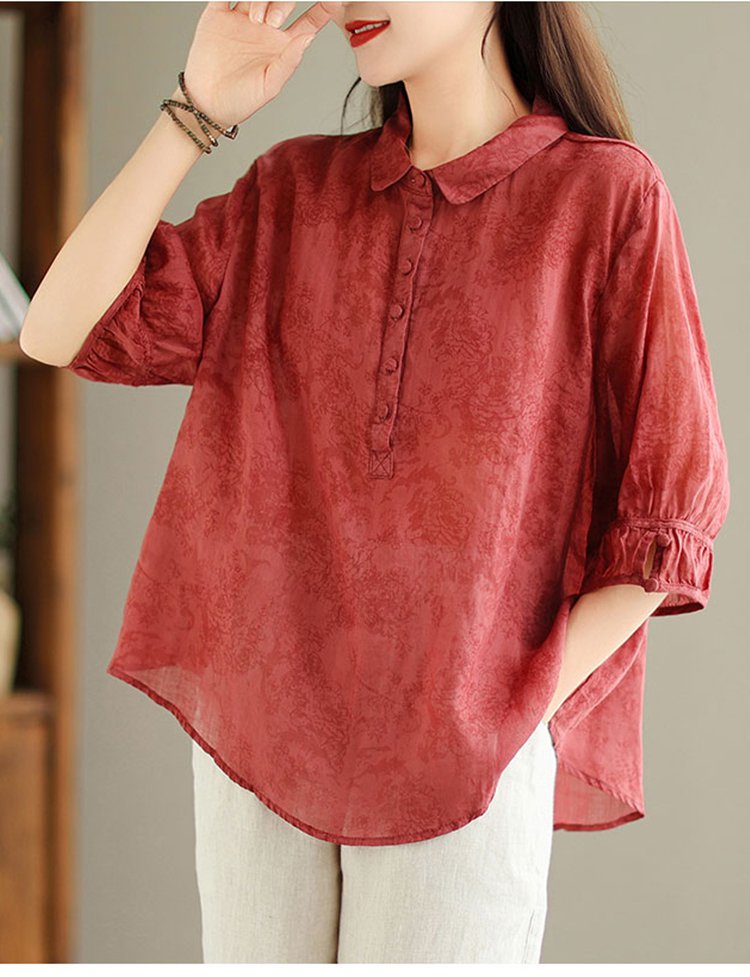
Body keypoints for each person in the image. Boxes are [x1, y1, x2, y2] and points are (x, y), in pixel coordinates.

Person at [20, 0, 731, 965]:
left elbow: (667, 516)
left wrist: (507, 714)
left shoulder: (604, 197)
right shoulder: (293, 193)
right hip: (261, 740)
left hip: (465, 764)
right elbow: (59, 328)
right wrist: (196, 108)